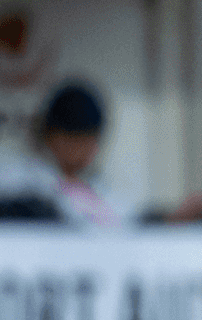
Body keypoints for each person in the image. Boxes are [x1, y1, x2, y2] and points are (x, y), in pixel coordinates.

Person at [0, 83, 131, 225]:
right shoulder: (17, 179)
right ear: (52, 136)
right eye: (78, 140)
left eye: (92, 141)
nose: (87, 150)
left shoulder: (100, 190)